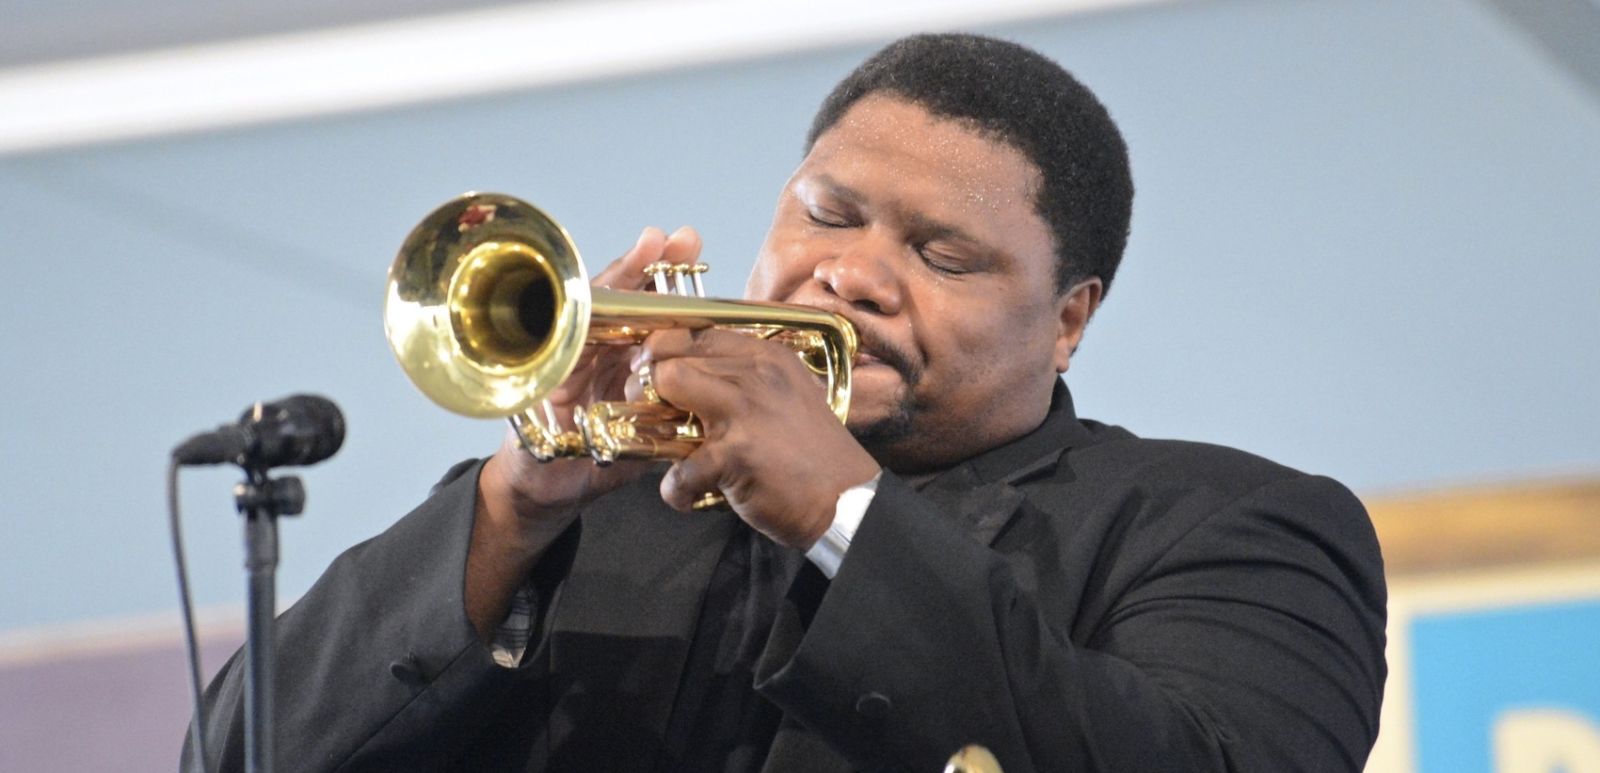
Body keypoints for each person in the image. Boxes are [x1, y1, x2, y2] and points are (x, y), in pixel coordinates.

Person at [193, 33, 1386, 772]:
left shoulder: (1228, 526)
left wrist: (846, 515)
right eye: (827, 212)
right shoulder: (572, 515)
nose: (854, 271)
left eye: (943, 254)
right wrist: (514, 503)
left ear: (1067, 318)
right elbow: (233, 757)